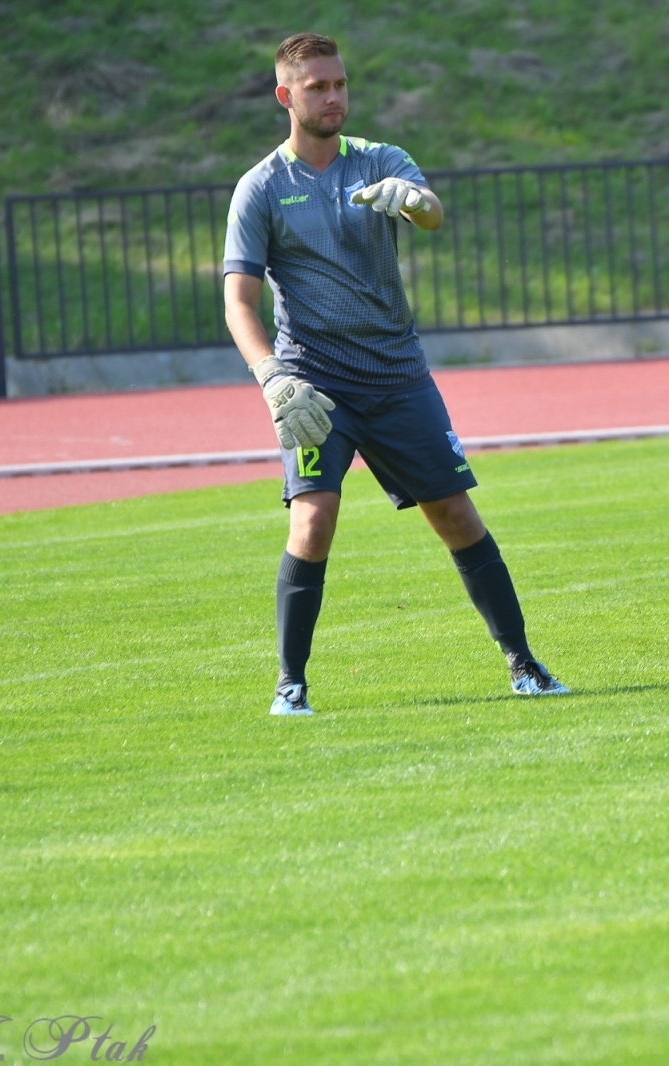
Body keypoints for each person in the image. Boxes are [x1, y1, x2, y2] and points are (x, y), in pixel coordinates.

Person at [223, 32, 569, 716]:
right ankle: (290, 685)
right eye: (317, 87)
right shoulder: (261, 187)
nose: (333, 97)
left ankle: (524, 664)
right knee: (313, 519)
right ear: (285, 96)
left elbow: (433, 214)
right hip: (315, 382)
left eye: (340, 84)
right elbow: (238, 301)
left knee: (455, 514)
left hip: (398, 377)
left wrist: (409, 200)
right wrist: (271, 378)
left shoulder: (382, 160)